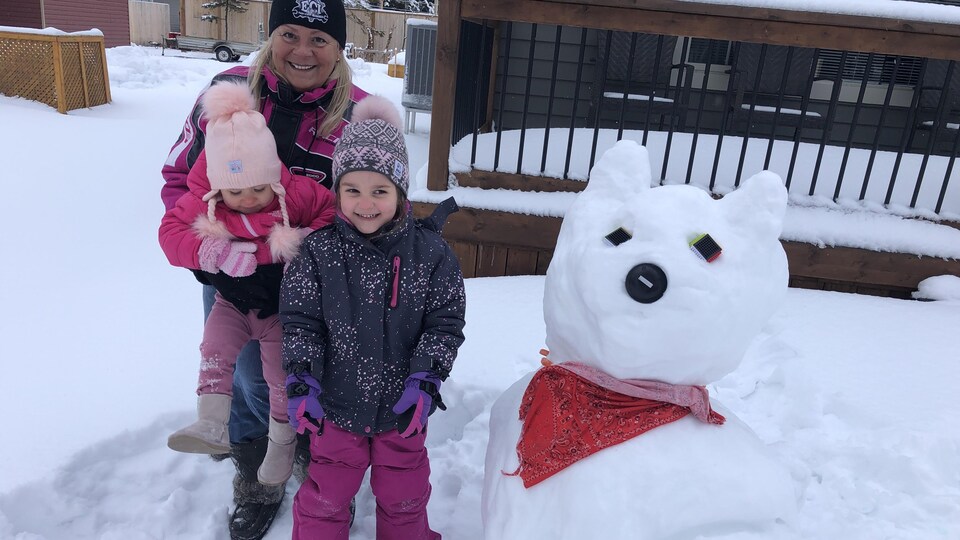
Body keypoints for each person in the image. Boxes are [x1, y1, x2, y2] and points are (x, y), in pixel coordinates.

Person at [159, 0, 367, 537]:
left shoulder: (357, 117)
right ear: (270, 33)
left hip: (314, 281)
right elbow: (180, 180)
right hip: (230, 271)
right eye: (290, 33)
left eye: (320, 39)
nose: (303, 50)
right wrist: (205, 254)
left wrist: (323, 265)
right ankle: (257, 480)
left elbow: (376, 208)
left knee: (288, 376)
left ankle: (309, 460)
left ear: (339, 47)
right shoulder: (226, 92)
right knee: (242, 374)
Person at [279, 95, 466, 539]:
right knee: (326, 495)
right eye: (353, 190)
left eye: (379, 190)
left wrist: (426, 379)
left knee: (404, 494)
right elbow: (300, 322)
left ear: (400, 192)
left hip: (402, 409)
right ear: (337, 190)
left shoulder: (431, 254)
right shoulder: (316, 252)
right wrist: (303, 379)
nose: (366, 203)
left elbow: (445, 323)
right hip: (335, 409)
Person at [160, 80, 336, 486]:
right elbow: (171, 234)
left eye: (261, 187)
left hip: (281, 309)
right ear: (220, 184)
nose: (251, 198)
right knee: (216, 350)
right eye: (237, 191)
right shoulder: (205, 201)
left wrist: (307, 247)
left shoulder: (295, 195)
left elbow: (330, 213)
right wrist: (210, 255)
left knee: (277, 376)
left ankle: (282, 444)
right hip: (232, 302)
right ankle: (211, 422)